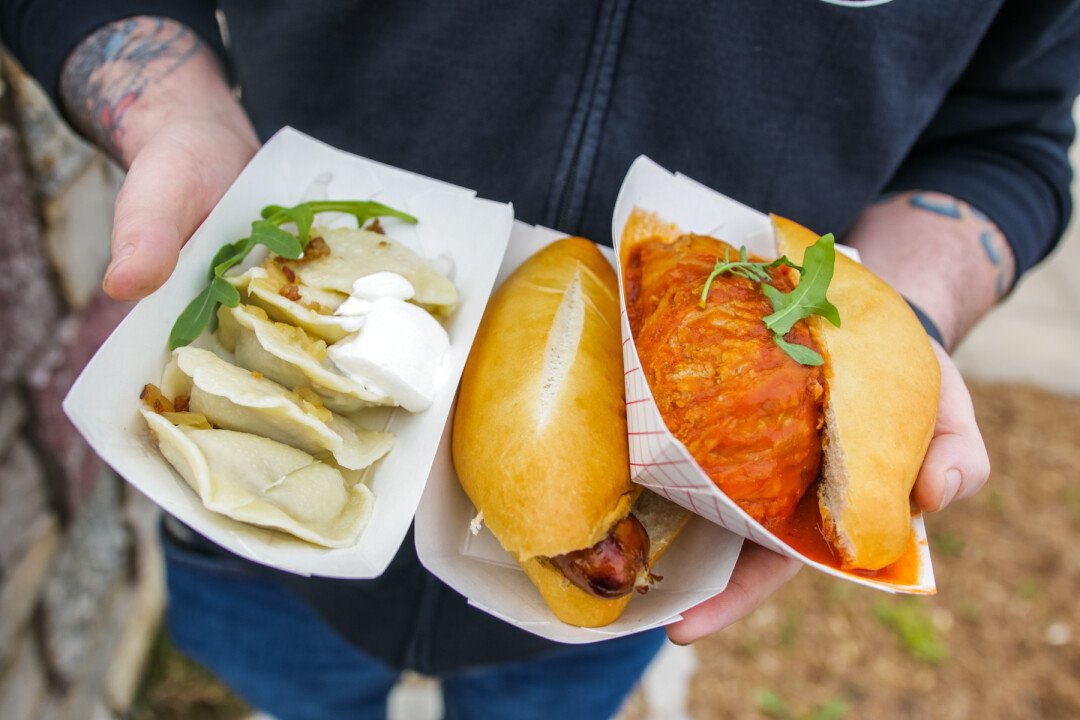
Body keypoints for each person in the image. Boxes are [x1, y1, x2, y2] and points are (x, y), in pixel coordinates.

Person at [4, 2, 1079, 718]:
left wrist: (913, 312)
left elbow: (1011, 136)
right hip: (261, 508)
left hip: (652, 567)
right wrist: (175, 112)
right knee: (281, 689)